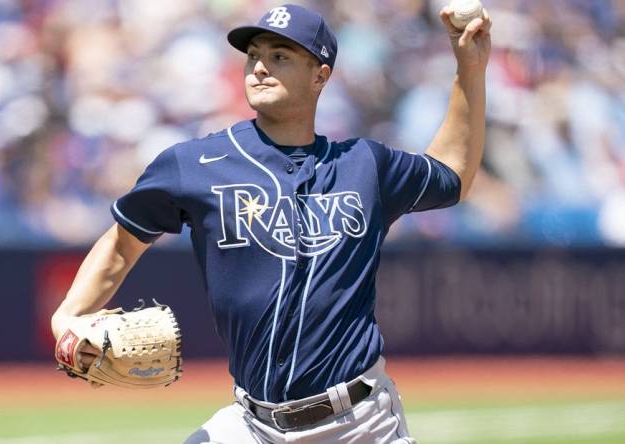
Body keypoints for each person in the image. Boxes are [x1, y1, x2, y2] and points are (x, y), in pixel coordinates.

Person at [51, 3, 491, 443]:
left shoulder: (365, 166)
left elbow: (452, 172)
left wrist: (468, 66)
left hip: (359, 423)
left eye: (280, 56)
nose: (260, 67)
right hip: (251, 424)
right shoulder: (194, 164)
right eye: (253, 55)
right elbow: (121, 243)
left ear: (320, 76)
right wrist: (68, 316)